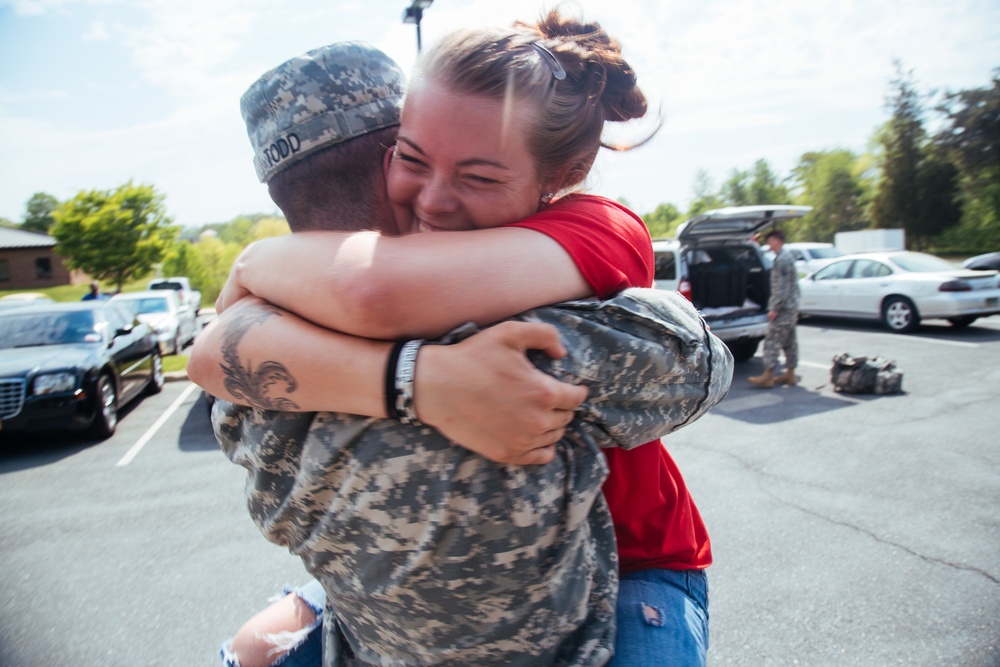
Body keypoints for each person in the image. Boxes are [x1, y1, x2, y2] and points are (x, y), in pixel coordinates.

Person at [192, 14, 729, 667]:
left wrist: (252, 265)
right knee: (245, 655)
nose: (436, 201)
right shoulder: (362, 253)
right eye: (412, 159)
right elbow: (213, 352)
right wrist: (421, 382)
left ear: (564, 171)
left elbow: (376, 293)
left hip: (634, 553)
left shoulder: (597, 227)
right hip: (428, 575)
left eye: (479, 176)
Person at [749, 229, 800, 387]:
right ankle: (790, 373)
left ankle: (768, 376)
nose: (768, 243)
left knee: (772, 341)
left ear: (777, 240)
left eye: (770, 240)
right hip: (791, 306)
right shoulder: (785, 256)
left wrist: (775, 308)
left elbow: (782, 287)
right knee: (790, 341)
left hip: (783, 308)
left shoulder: (782, 260)